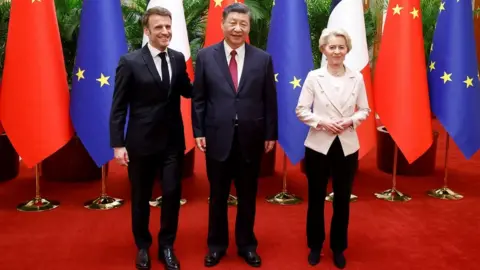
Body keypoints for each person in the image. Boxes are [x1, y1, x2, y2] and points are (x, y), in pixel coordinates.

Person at [191, 3, 277, 268]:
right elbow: (199, 99)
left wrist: (270, 133)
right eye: (233, 23)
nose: (238, 28)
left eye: (243, 23)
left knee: (248, 195)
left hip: (251, 138)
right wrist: (199, 131)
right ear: (223, 24)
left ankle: (246, 245)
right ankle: (216, 246)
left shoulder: (262, 58)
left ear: (248, 27)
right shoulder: (205, 56)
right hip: (217, 136)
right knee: (217, 195)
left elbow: (269, 101)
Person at [109, 7, 192, 270]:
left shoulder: (178, 59)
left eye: (168, 27)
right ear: (147, 31)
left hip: (172, 143)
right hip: (140, 143)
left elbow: (189, 91)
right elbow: (119, 105)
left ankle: (167, 245)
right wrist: (118, 144)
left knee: (171, 193)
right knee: (141, 196)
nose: (165, 31)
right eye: (159, 27)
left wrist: (216, 79)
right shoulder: (130, 62)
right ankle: (143, 246)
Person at [295, 28, 370, 269]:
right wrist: (323, 122)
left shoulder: (356, 78)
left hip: (347, 145)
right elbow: (301, 110)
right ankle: (315, 246)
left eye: (341, 47)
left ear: (347, 49)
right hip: (318, 144)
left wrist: (350, 121)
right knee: (316, 198)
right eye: (332, 47)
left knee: (342, 200)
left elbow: (365, 110)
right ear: (323, 50)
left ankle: (338, 247)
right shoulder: (313, 77)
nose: (336, 51)